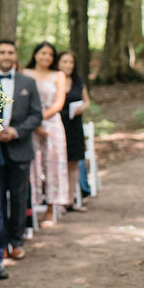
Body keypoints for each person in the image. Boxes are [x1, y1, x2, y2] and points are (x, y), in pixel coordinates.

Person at [0, 40, 43, 260]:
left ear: (15, 55)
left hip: (20, 148)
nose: (6, 56)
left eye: (10, 52)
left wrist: (16, 131)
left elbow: (36, 115)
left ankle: (17, 241)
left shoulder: (28, 82)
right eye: (2, 52)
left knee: (19, 198)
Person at [24, 42, 70, 225]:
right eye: (43, 53)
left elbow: (59, 103)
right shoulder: (25, 74)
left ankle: (51, 208)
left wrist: (40, 119)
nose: (46, 57)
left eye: (50, 55)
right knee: (33, 165)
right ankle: (32, 207)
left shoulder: (58, 75)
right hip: (30, 126)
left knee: (53, 164)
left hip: (52, 125)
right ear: (35, 54)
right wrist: (34, 123)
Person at [57, 50, 91, 211]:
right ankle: (59, 199)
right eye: (65, 61)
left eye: (71, 62)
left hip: (75, 125)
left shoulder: (78, 81)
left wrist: (81, 108)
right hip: (58, 124)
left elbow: (87, 101)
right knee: (59, 163)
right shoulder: (54, 79)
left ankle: (70, 199)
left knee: (74, 163)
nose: (68, 65)